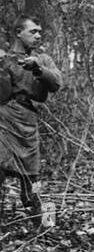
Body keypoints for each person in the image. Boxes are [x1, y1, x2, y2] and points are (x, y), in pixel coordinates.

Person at [0, 17, 62, 233]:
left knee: (32, 181)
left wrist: (38, 68)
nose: (38, 36)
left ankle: (47, 227)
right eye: (33, 31)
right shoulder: (4, 58)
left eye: (39, 32)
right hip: (4, 120)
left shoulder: (42, 59)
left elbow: (56, 83)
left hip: (27, 122)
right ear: (18, 33)